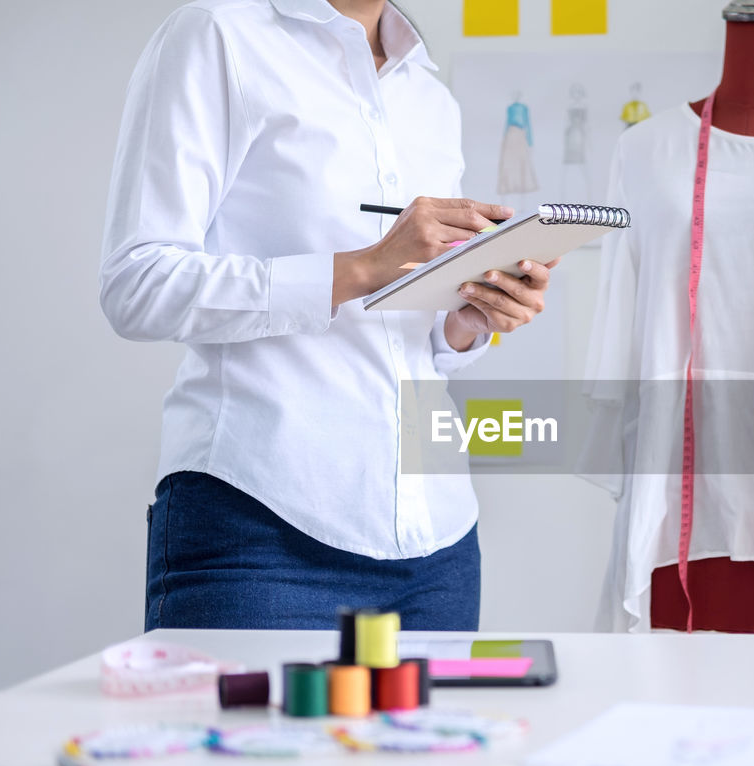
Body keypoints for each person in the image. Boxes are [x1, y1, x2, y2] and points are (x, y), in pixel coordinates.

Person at [99, 0, 555, 631]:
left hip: (439, 547)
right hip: (257, 529)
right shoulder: (218, 35)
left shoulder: (428, 92)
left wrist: (471, 315)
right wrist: (365, 265)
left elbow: (411, 332)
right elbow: (137, 283)